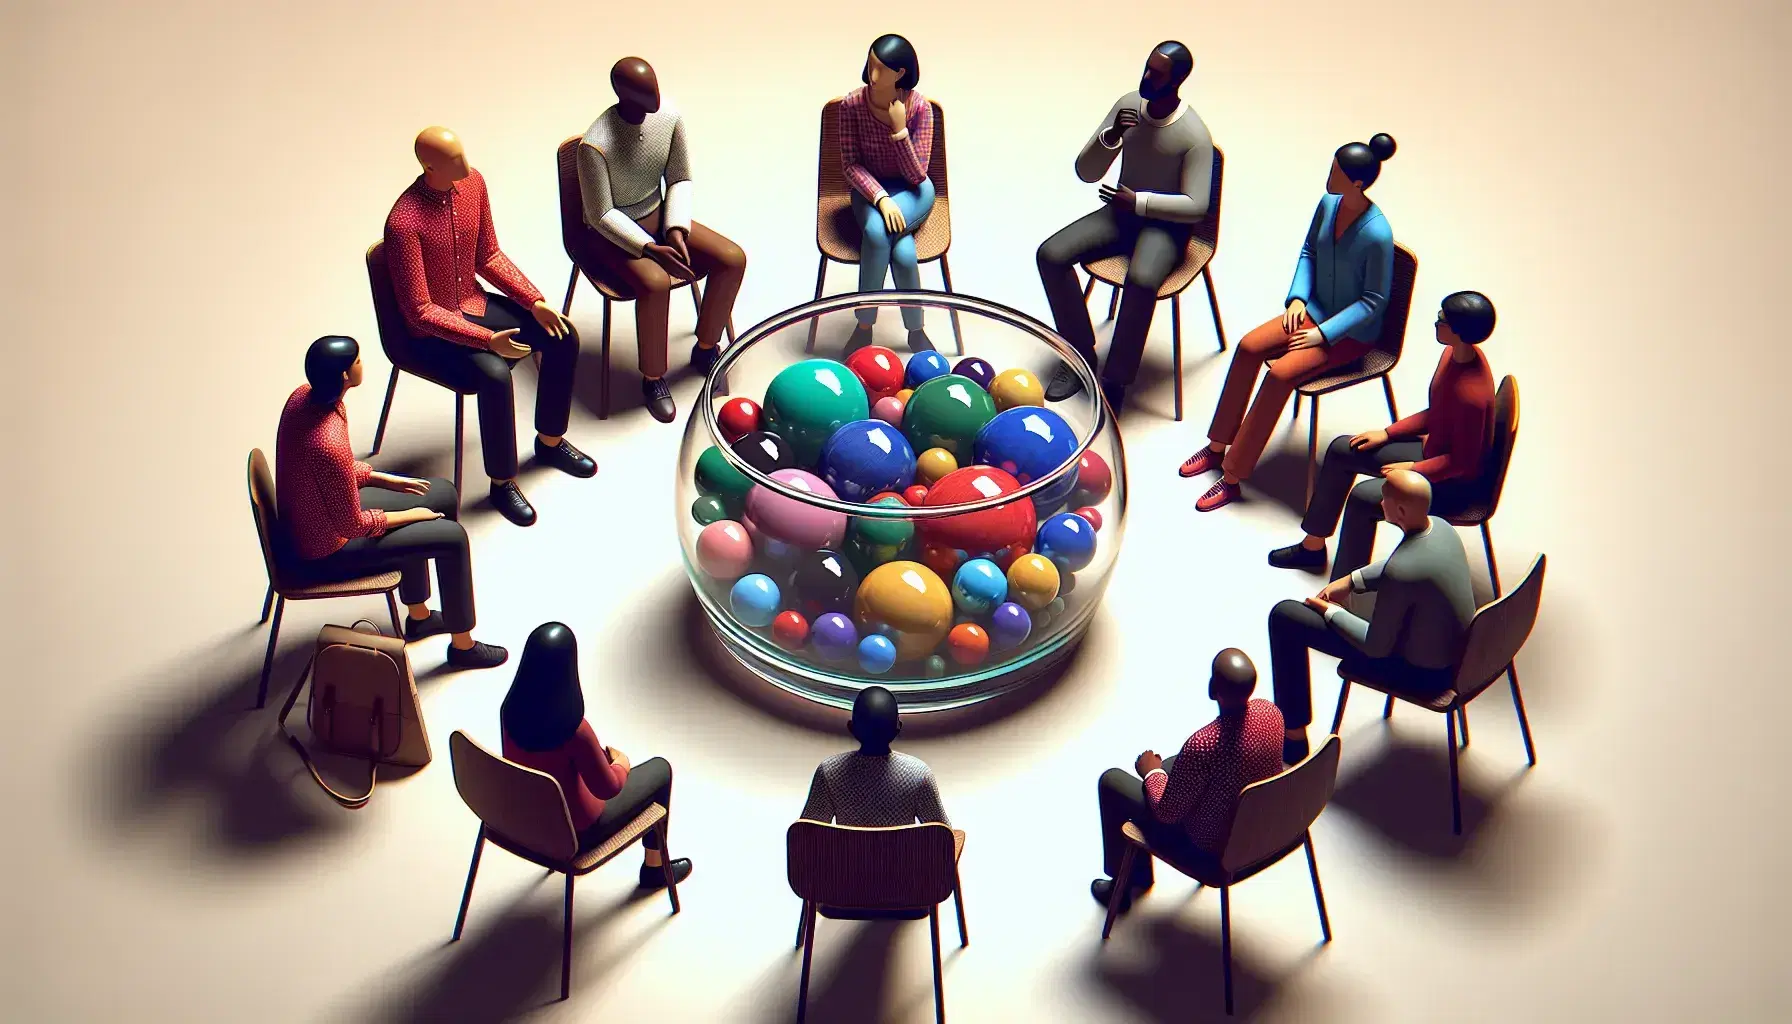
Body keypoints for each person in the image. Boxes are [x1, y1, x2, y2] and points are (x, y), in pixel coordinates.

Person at [384, 127, 596, 529]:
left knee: (562, 337)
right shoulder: (403, 222)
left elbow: (489, 255)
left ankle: (550, 442)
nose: (466, 166)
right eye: (454, 161)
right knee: (495, 376)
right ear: (429, 166)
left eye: (464, 155)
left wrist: (534, 301)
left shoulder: (474, 184)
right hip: (431, 333)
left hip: (474, 303)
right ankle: (502, 482)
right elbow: (419, 311)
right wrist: (488, 341)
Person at [1182, 134, 1400, 511]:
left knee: (1280, 374)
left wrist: (1322, 334)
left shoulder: (1378, 234)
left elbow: (1373, 302)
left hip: (1347, 335)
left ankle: (1233, 475)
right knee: (1249, 346)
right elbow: (1309, 252)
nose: (1329, 176)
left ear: (1358, 183)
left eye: (1337, 171)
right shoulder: (1328, 204)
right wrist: (1298, 297)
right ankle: (1218, 444)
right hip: (1313, 308)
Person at [275, 336, 507, 669]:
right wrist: (411, 516)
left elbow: (331, 472)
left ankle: (419, 614)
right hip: (326, 549)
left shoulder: (305, 398)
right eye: (356, 361)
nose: (361, 364)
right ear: (343, 376)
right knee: (452, 537)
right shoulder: (326, 440)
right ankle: (463, 646)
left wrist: (383, 478)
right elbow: (352, 525)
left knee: (441, 493)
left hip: (321, 510)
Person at [1037, 41, 1214, 414]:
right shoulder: (1128, 106)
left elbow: (1197, 206)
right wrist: (1112, 136)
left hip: (1166, 228)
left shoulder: (1194, 135)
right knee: (1050, 255)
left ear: (1179, 80)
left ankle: (1116, 379)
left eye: (1158, 74)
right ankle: (1080, 352)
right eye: (1147, 68)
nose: (1147, 77)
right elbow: (1086, 172)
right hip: (1121, 216)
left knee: (1142, 279)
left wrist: (1141, 202)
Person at [1270, 291, 1499, 577]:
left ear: (1459, 331)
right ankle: (1313, 548)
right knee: (1344, 449)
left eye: (1443, 318)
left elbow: (1462, 463)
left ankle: (1343, 588)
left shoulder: (1472, 395)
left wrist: (1414, 470)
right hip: (1434, 455)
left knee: (1364, 498)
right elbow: (1438, 413)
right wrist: (1388, 433)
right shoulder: (1452, 355)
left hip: (1451, 485)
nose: (1436, 321)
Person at [578, 57, 748, 423]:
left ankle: (706, 346)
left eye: (654, 87)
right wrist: (648, 248)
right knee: (654, 283)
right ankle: (652, 377)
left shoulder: (669, 119)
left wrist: (675, 229)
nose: (654, 97)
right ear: (622, 94)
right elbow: (600, 214)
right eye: (644, 92)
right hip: (613, 235)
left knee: (731, 258)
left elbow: (680, 178)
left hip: (659, 216)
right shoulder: (595, 145)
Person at [1269, 470, 1476, 765]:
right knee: (1351, 608)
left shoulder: (1403, 570)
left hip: (1422, 676)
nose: (1380, 503)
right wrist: (1352, 580)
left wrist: (1332, 613)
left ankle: (1293, 741)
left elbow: (1376, 647)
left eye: (1385, 499)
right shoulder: (1441, 528)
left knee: (1285, 618)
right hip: (1461, 654)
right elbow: (1397, 564)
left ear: (1400, 511)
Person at [499, 623, 693, 888]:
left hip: (525, 819)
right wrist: (621, 764)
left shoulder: (509, 712)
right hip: (575, 833)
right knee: (660, 770)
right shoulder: (575, 731)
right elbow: (607, 788)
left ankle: (655, 866)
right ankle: (655, 868)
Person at [1091, 649, 1283, 912]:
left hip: (1212, 851)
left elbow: (1167, 813)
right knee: (1174, 765)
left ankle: (1123, 888)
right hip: (1266, 828)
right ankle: (1136, 875)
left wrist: (1151, 773)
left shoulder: (1203, 745)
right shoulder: (1270, 712)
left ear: (1212, 688)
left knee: (1113, 783)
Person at [838, 34, 939, 356]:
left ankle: (872, 328)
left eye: (881, 68)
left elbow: (916, 175)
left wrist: (899, 131)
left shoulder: (920, 108)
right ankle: (886, 327)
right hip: (870, 190)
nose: (872, 73)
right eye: (870, 64)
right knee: (895, 247)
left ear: (900, 73)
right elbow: (850, 165)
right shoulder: (851, 105)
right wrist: (880, 198)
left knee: (880, 236)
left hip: (914, 192)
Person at [800, 686, 949, 826]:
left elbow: (806, 837)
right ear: (898, 728)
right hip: (900, 855)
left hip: (849, 855)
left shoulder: (830, 772)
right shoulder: (918, 774)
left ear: (851, 728)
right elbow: (944, 838)